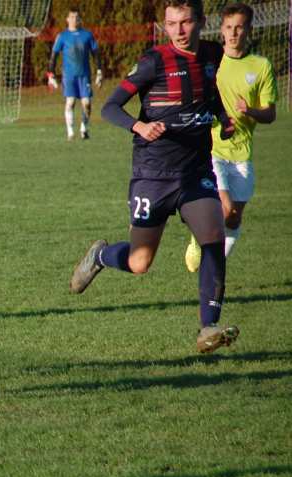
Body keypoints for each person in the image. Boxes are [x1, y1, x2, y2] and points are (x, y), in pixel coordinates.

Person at [70, 0, 240, 354]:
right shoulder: (154, 62)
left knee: (213, 236)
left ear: (200, 22)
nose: (178, 30)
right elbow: (110, 107)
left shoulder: (212, 53)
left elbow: (208, 95)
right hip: (153, 175)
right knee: (139, 262)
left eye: (185, 22)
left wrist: (223, 118)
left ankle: (208, 327)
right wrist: (140, 125)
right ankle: (101, 257)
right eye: (171, 23)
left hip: (194, 171)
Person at [184, 2, 276, 272]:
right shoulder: (210, 59)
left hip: (243, 153)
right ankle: (206, 257)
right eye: (228, 27)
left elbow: (270, 114)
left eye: (239, 27)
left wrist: (250, 111)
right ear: (221, 30)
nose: (233, 33)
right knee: (223, 211)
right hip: (211, 149)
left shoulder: (260, 66)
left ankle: (213, 261)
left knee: (234, 218)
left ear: (248, 29)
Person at [47, 8, 102, 140]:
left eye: (76, 17)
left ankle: (84, 128)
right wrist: (51, 74)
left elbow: (95, 54)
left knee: (87, 103)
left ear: (79, 20)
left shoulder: (87, 35)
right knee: (70, 102)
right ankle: (70, 132)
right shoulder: (62, 36)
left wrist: (99, 72)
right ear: (67, 19)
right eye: (71, 17)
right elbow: (53, 56)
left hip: (84, 75)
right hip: (69, 76)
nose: (74, 19)